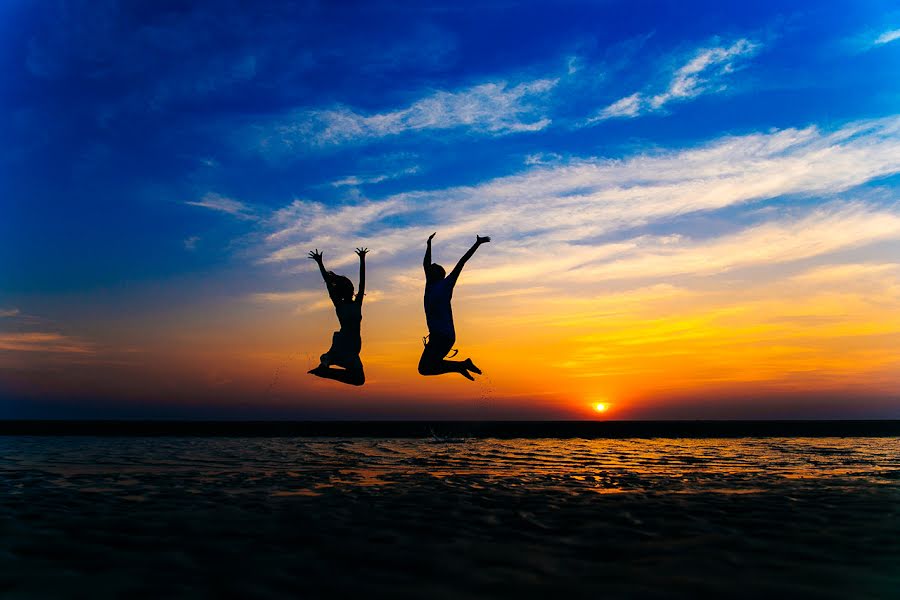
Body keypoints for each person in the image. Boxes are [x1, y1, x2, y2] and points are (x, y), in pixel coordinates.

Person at [418, 232, 490, 380]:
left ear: (438, 273)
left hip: (443, 336)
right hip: (439, 336)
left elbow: (461, 262)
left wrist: (477, 244)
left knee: (425, 368)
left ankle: (461, 366)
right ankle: (461, 365)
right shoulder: (430, 285)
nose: (428, 269)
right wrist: (428, 244)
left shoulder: (446, 284)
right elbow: (426, 263)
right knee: (426, 368)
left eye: (432, 268)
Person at [307, 247, 367, 386]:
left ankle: (326, 365)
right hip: (347, 343)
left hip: (350, 345)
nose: (352, 289)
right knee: (359, 379)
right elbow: (329, 283)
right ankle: (327, 363)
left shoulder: (353, 304)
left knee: (358, 379)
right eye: (349, 288)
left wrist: (362, 260)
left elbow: (362, 284)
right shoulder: (345, 305)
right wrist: (320, 263)